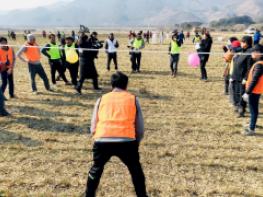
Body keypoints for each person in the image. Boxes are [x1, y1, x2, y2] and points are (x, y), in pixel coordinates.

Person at [85, 71, 148, 197]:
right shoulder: (133, 99)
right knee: (135, 170)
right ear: (126, 85)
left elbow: (93, 127)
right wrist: (137, 141)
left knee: (96, 168)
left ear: (111, 84)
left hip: (102, 140)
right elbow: (140, 127)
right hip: (127, 141)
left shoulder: (101, 99)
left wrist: (97, 137)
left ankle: (89, 194)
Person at [229, 36, 253, 117]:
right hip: (235, 76)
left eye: (243, 42)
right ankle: (237, 106)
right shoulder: (242, 50)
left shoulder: (250, 52)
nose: (241, 43)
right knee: (236, 92)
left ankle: (241, 110)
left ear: (247, 43)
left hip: (242, 78)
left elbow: (250, 68)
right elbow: (234, 49)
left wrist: (246, 78)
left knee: (241, 94)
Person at [243, 44, 263, 136]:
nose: (251, 53)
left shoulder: (259, 65)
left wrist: (247, 92)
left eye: (253, 52)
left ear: (259, 53)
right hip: (255, 90)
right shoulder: (259, 63)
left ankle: (251, 129)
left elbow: (255, 80)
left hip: (254, 91)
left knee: (253, 110)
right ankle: (252, 125)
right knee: (253, 109)